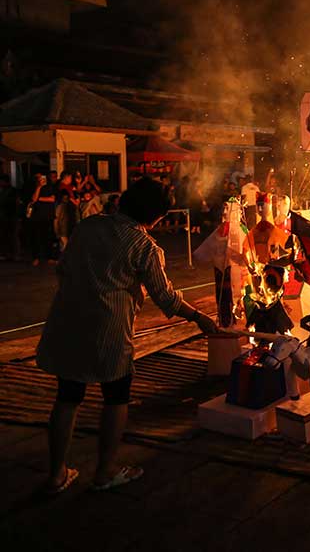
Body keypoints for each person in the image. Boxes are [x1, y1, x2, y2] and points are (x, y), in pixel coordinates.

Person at [36, 177, 219, 493]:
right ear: (156, 216)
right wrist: (199, 317)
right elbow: (165, 296)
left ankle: (56, 474)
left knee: (67, 397)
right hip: (108, 329)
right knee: (115, 397)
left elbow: (63, 268)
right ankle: (105, 472)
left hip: (67, 321)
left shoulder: (88, 226)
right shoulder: (143, 246)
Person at [28, 172, 58, 265]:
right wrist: (39, 187)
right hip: (36, 217)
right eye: (38, 177)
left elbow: (52, 199)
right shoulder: (32, 187)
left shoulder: (50, 187)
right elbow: (33, 199)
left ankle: (49, 257)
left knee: (48, 238)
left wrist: (40, 199)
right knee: (36, 238)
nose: (40, 179)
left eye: (41, 177)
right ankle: (36, 257)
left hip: (48, 216)